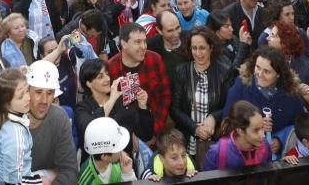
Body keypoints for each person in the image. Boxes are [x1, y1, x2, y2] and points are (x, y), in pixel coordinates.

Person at [222, 46, 309, 156]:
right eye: (257, 67)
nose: (259, 74)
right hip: (245, 155)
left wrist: (279, 140)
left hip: (279, 158)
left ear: (278, 75)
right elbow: (227, 121)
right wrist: (253, 126)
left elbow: (299, 125)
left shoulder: (290, 92)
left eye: (267, 71)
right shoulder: (241, 85)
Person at [169, 26, 228, 162]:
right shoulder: (181, 71)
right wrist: (194, 128)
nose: (198, 53)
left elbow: (229, 105)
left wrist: (213, 117)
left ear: (211, 48)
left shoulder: (224, 72)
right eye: (194, 48)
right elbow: (174, 109)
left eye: (202, 48)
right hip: (187, 138)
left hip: (215, 139)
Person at [106, 23, 171, 136]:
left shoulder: (155, 59)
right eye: (137, 42)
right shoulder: (111, 68)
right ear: (124, 43)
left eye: (144, 41)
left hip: (155, 130)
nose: (144, 46)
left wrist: (155, 129)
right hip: (124, 134)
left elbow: (165, 96)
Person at [201, 100, 271, 171]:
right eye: (256, 130)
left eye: (262, 127)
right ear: (240, 131)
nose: (263, 135)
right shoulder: (217, 153)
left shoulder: (265, 146)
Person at [77, 117, 136, 185]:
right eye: (118, 149)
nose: (122, 151)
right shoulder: (87, 181)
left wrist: (128, 175)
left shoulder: (118, 161)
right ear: (104, 156)